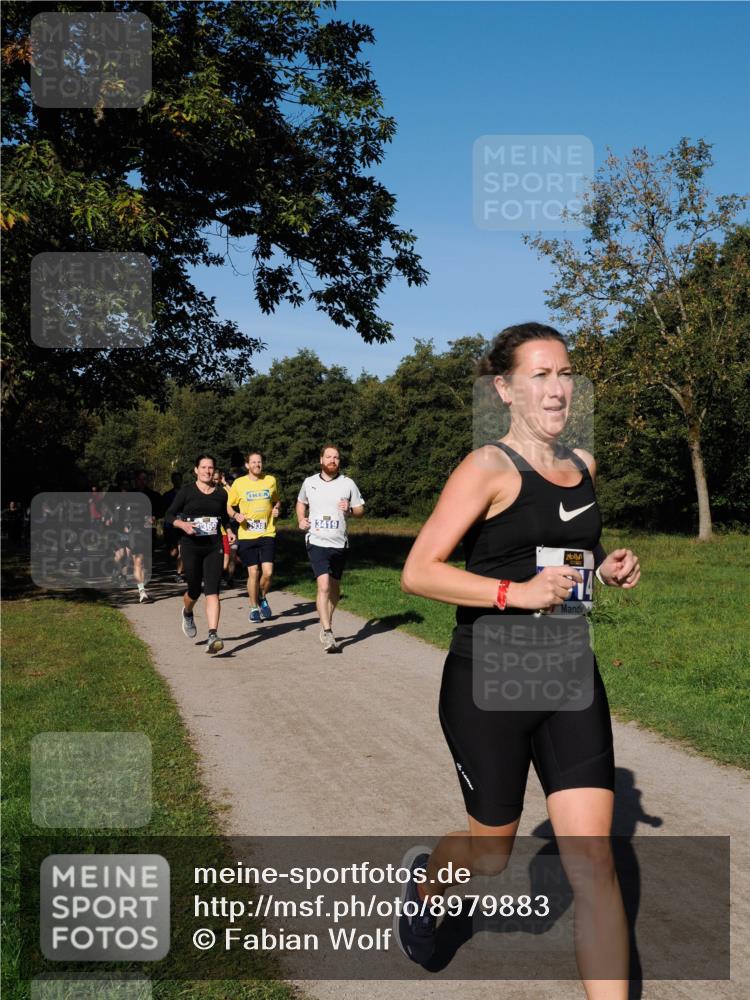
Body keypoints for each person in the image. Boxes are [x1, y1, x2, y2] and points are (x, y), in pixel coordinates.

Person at [397, 323, 641, 998]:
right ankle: (426, 886)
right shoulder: (486, 469)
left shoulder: (584, 464)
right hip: (490, 680)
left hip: (567, 672)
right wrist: (514, 593)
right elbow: (419, 573)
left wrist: (604, 566)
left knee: (595, 867)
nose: (558, 387)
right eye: (540, 375)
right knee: (491, 853)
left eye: (565, 373)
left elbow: (562, 557)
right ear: (505, 388)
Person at [164, 454, 236, 654]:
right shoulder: (187, 492)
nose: (207, 471)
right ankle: (187, 612)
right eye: (203, 467)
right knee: (194, 590)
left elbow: (223, 517)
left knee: (213, 590)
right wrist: (183, 525)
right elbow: (169, 515)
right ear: (196, 470)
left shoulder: (221, 494)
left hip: (214, 546)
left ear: (214, 470)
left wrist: (229, 531)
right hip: (191, 546)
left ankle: (213, 634)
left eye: (210, 467)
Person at [296, 445, 364, 652]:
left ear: (339, 461)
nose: (332, 460)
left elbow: (360, 510)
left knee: (334, 588)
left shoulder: (348, 483)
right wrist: (301, 519)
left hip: (339, 543)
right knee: (323, 586)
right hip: (316, 541)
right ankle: (327, 632)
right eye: (328, 457)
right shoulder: (310, 482)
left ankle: (327, 621)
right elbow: (300, 503)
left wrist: (351, 510)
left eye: (336, 457)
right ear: (321, 460)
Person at [227, 450, 280, 622]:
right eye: (254, 462)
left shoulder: (270, 480)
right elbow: (229, 506)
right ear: (247, 465)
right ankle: (253, 608)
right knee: (253, 571)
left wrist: (276, 508)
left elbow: (276, 500)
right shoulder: (238, 483)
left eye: (260, 462)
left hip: (267, 532)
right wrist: (236, 516)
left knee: (268, 572)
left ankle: (262, 596)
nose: (257, 465)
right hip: (247, 534)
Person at [161, 472, 185, 581]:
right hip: (170, 526)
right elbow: (164, 511)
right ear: (172, 481)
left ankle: (179, 573)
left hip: (183, 525)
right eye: (175, 479)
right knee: (173, 551)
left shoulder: (186, 493)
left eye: (178, 479)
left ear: (181, 480)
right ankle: (170, 561)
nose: (177, 481)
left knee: (182, 549)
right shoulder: (167, 495)